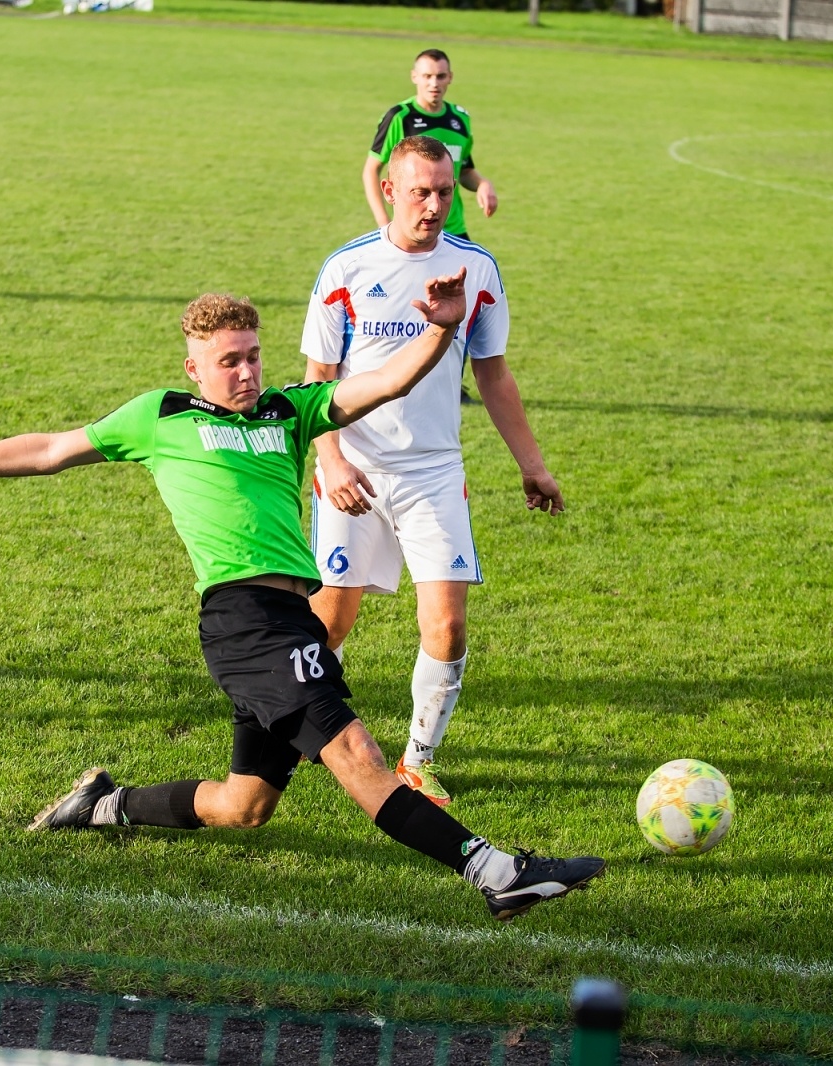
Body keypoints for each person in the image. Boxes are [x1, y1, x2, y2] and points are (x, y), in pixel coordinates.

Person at [0, 282, 604, 921]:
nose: (247, 369)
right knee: (356, 752)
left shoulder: (289, 412)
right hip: (244, 622)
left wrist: (441, 329)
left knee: (244, 805)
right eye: (229, 360)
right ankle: (497, 873)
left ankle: (103, 803)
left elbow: (383, 383)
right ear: (194, 366)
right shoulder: (159, 417)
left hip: (292, 622)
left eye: (253, 354)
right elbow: (48, 449)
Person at [303, 135, 562, 808]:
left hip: (434, 472)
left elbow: (494, 374)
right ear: (389, 188)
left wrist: (532, 466)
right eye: (421, 191)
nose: (435, 205)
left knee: (445, 625)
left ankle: (418, 762)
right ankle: (291, 731)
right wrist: (328, 461)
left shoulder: (475, 268)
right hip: (353, 470)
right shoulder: (347, 268)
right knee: (328, 626)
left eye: (445, 192)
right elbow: (318, 379)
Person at [364, 49, 496, 403]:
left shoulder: (460, 120)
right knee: (407, 307)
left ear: (450, 78)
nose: (434, 83)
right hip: (410, 233)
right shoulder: (401, 117)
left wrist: (481, 183)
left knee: (460, 310)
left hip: (454, 231)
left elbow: (464, 169)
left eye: (440, 76)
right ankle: (396, 376)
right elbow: (370, 171)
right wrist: (384, 224)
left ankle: (451, 380)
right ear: (414, 77)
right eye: (427, 76)